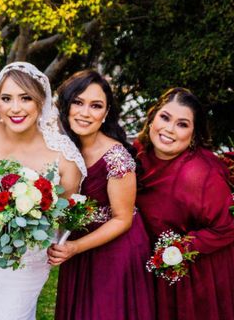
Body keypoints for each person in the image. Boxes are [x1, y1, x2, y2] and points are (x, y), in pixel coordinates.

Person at [0, 61, 86, 320]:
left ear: (40, 101)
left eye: (25, 98)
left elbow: (67, 214)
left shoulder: (63, 154)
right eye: (6, 98)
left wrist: (31, 220)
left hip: (28, 263)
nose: (15, 108)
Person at [135, 87, 234, 320]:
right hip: (157, 268)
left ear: (194, 134)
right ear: (152, 119)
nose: (169, 129)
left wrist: (177, 250)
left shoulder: (200, 173)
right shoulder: (138, 155)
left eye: (182, 124)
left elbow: (227, 227)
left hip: (201, 271)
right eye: (165, 118)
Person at [49, 70, 155, 319]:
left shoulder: (116, 156)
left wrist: (74, 246)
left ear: (105, 114)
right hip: (77, 243)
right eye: (78, 102)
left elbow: (122, 218)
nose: (85, 113)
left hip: (115, 250)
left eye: (96, 106)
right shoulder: (61, 148)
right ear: (66, 105)